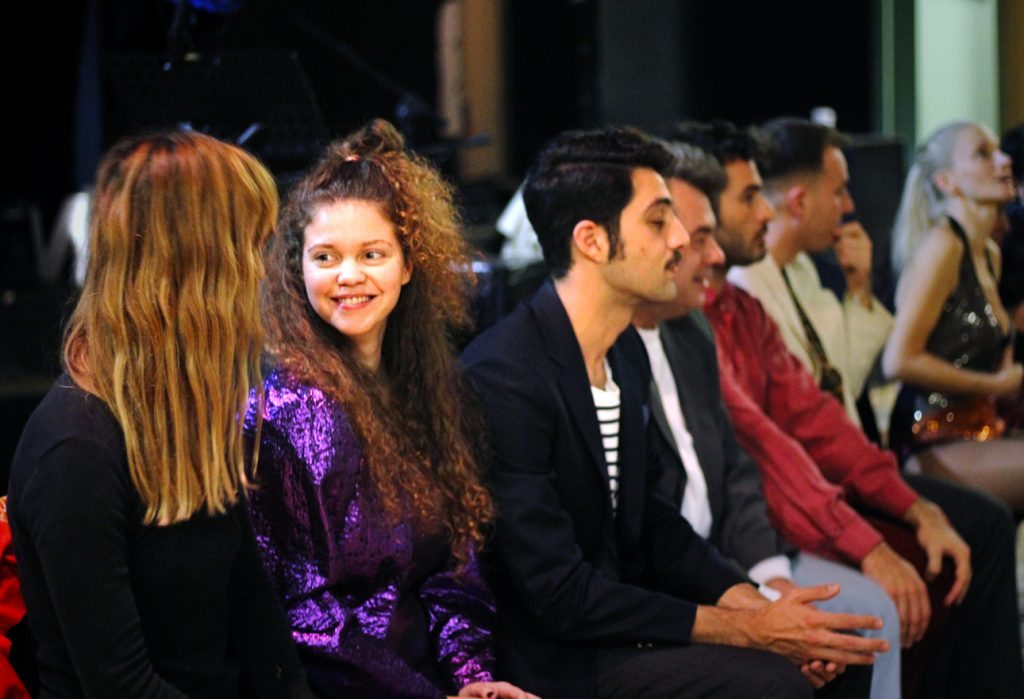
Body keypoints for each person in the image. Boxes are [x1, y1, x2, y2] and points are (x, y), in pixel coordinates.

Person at [462, 126, 887, 699]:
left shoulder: (624, 351)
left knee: (834, 652)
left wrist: (760, 608)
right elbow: (559, 595)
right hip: (552, 657)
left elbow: (655, 522)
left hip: (618, 623)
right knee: (775, 684)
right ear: (591, 241)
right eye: (659, 221)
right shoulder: (505, 376)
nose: (681, 239)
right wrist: (747, 630)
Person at [671, 120, 1024, 698]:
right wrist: (866, 544)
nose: (767, 211)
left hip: (798, 498)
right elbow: (766, 448)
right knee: (873, 610)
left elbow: (820, 414)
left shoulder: (746, 303)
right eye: (751, 197)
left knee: (965, 535)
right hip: (760, 521)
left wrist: (912, 508)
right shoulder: (712, 308)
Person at [7, 131, 311, 697]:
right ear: (195, 268)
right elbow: (121, 685)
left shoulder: (189, 400)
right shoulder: (76, 449)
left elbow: (250, 604)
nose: (263, 270)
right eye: (251, 246)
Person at [247, 120, 537, 699]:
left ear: (407, 265)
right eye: (325, 257)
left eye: (371, 254)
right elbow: (308, 619)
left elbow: (452, 571)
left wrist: (472, 678)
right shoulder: (290, 411)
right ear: (298, 270)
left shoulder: (425, 388)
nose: (348, 275)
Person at [625, 142, 899, 698]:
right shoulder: (605, 348)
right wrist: (754, 610)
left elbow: (739, 467)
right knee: (822, 650)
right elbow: (652, 529)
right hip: (672, 589)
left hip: (725, 561)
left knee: (849, 642)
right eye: (692, 235)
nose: (711, 253)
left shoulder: (692, 331)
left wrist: (769, 585)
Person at [883, 120, 1024, 513]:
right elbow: (899, 360)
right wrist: (994, 384)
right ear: (947, 182)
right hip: (931, 436)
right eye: (983, 154)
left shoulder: (988, 253)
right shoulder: (943, 246)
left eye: (999, 151)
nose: (1003, 161)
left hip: (980, 428)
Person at [727, 118, 892, 427]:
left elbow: (842, 385)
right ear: (799, 202)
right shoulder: (745, 285)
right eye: (839, 192)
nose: (848, 206)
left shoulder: (800, 268)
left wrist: (859, 288)